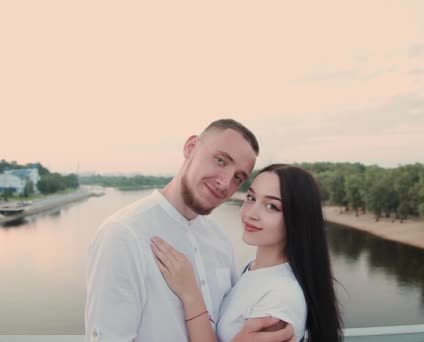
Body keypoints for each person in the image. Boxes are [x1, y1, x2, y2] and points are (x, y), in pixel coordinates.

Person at [84, 119, 294, 342]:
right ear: (191, 147)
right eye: (221, 160)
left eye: (238, 178)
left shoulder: (220, 239)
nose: (225, 183)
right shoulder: (123, 234)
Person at [151, 164, 343, 342]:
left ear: (298, 219)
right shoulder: (252, 267)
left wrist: (191, 293)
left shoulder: (281, 300)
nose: (250, 213)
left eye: (271, 206)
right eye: (251, 198)